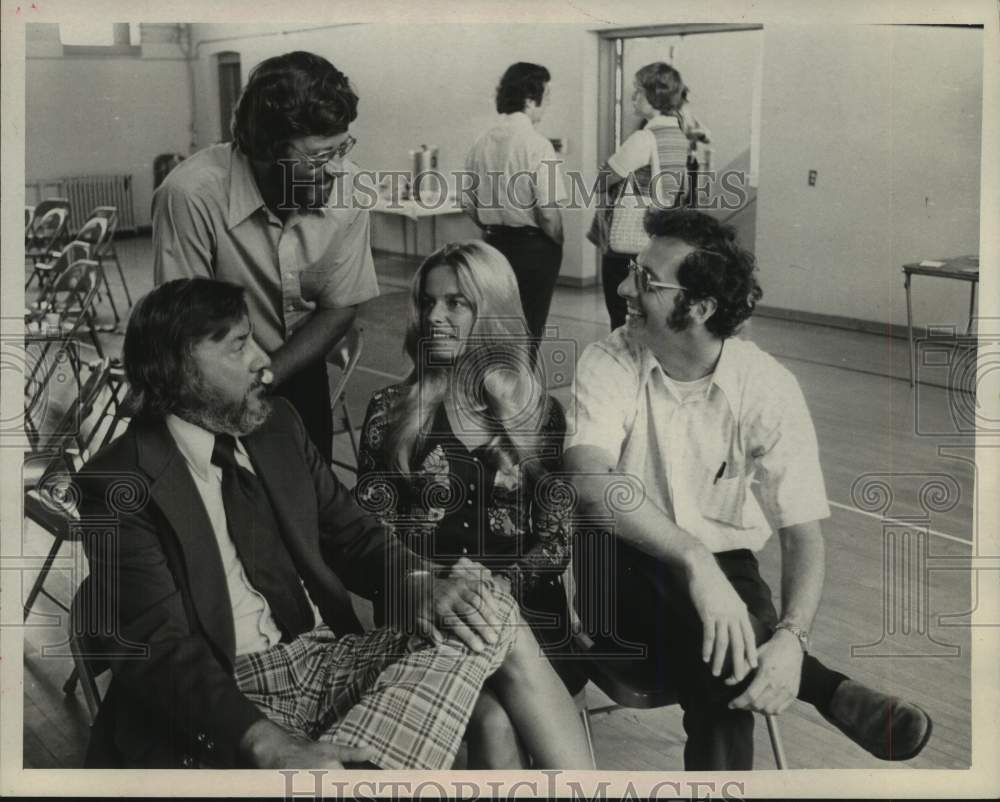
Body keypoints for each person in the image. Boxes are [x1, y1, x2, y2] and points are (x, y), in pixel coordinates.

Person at [72, 277, 592, 770]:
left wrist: (422, 585)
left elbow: (355, 536)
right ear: (178, 369)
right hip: (230, 692)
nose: (264, 364)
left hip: (324, 660)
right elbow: (162, 654)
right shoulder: (118, 482)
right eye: (237, 346)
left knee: (485, 602)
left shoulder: (276, 426)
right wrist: (270, 745)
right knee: (489, 709)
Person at [565, 209, 933, 770]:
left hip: (728, 582)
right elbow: (591, 484)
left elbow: (803, 533)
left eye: (646, 280)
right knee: (721, 637)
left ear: (701, 307)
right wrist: (693, 559)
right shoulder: (609, 359)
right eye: (633, 270)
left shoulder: (766, 386)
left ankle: (786, 666)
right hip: (616, 572)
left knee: (724, 666)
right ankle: (828, 690)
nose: (622, 288)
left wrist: (790, 638)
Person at [355, 240, 587, 768]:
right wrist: (441, 582)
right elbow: (370, 538)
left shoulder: (538, 414)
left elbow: (557, 542)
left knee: (495, 711)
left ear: (493, 314)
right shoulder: (390, 412)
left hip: (530, 617)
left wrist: (496, 584)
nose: (436, 316)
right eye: (429, 302)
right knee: (492, 718)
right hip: (429, 613)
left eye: (457, 303)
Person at [153, 51, 378, 464]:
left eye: (341, 148)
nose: (336, 169)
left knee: (308, 509)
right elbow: (184, 329)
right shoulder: (190, 195)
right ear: (265, 151)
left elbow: (339, 306)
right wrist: (238, 388)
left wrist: (268, 376)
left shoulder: (350, 187)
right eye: (317, 156)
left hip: (294, 366)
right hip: (206, 377)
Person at [588, 62, 710, 331]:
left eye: (637, 91)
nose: (633, 97)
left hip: (628, 244)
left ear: (654, 96)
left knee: (620, 317)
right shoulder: (678, 136)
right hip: (656, 238)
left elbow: (602, 180)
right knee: (649, 319)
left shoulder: (644, 138)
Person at [463, 63, 567, 362]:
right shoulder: (537, 144)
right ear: (530, 98)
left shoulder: (480, 143)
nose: (548, 104)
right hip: (533, 249)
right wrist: (557, 241)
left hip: (492, 245)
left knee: (493, 329)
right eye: (546, 95)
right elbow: (548, 213)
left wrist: (492, 226)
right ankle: (519, 400)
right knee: (528, 329)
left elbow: (469, 204)